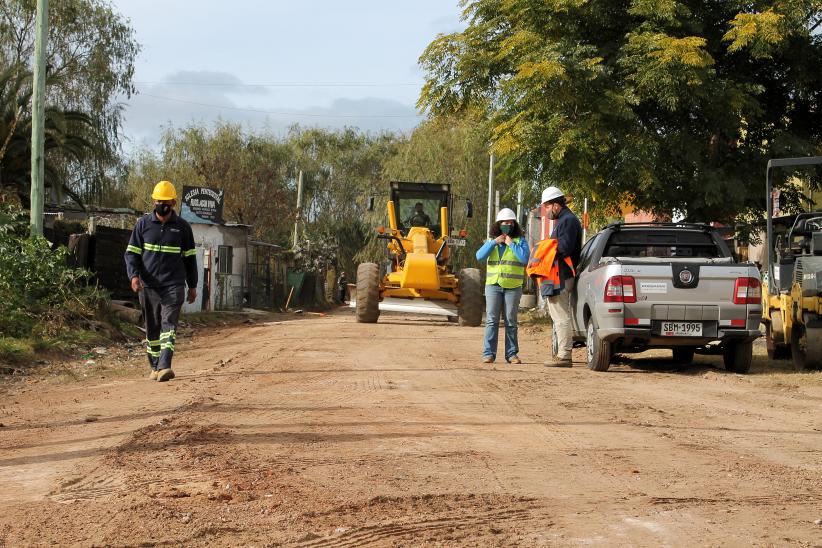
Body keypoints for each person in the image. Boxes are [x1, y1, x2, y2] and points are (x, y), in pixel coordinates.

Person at [124, 181, 198, 382]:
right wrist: (134, 276)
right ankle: (155, 365)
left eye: (166, 201)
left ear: (173, 202)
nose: (162, 205)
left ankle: (165, 365)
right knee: (153, 327)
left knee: (169, 323)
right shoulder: (143, 225)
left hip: (173, 285)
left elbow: (190, 258)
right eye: (158, 201)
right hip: (148, 286)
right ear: (153, 201)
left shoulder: (182, 228)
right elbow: (132, 254)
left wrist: (192, 286)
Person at [476, 208, 530, 364]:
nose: (508, 224)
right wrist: (494, 242)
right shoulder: (492, 241)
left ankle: (511, 354)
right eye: (505, 222)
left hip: (513, 287)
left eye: (511, 222)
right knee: (492, 320)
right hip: (493, 286)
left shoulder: (520, 241)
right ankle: (488, 354)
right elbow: (479, 256)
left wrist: (511, 244)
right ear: (499, 224)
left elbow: (525, 258)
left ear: (514, 224)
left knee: (511, 321)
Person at [539, 186, 582, 367]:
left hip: (561, 275)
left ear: (556, 205)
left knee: (561, 315)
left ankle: (564, 355)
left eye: (547, 207)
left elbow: (563, 248)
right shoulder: (564, 221)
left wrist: (543, 252)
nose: (546, 211)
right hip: (559, 274)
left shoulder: (567, 221)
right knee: (559, 315)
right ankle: (561, 353)